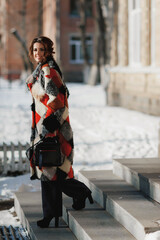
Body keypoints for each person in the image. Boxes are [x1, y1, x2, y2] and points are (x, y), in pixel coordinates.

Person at [26, 36, 93, 228]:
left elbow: (57, 102)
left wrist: (47, 128)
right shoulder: (40, 70)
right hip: (44, 126)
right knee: (53, 171)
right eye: (35, 50)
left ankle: (51, 214)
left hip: (54, 129)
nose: (38, 53)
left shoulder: (49, 71)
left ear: (48, 51)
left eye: (42, 50)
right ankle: (79, 193)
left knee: (50, 170)